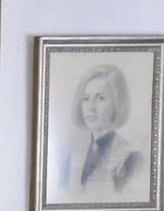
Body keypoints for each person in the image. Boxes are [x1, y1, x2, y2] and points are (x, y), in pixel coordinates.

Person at [57, 62, 147, 202]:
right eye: (86, 99)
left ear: (116, 103)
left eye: (100, 98)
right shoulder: (72, 153)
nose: (90, 107)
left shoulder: (130, 158)